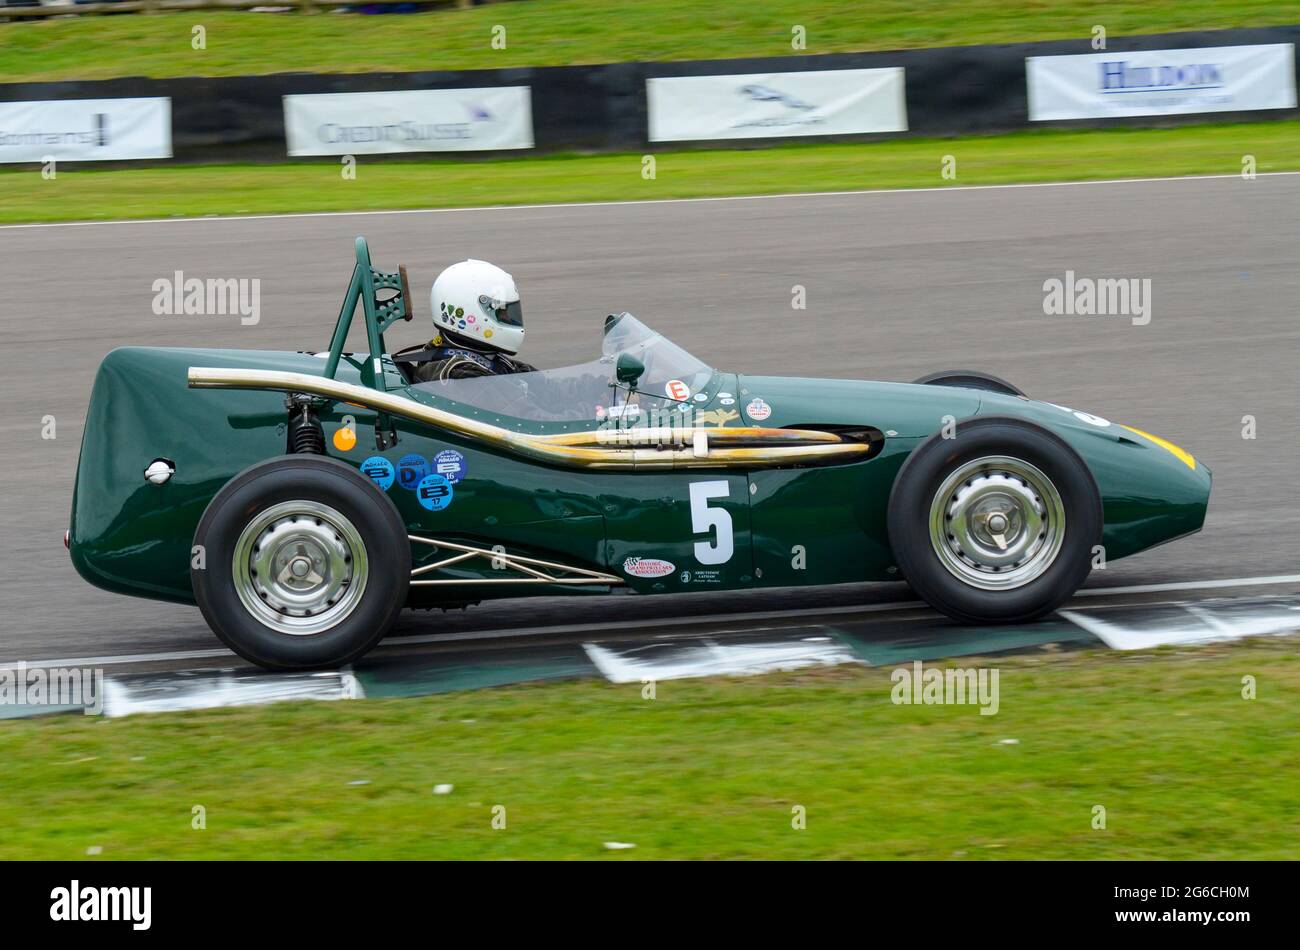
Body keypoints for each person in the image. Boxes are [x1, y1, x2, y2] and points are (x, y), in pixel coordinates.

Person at [399, 260, 537, 382]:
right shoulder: (463, 376)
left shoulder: (488, 359)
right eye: (501, 313)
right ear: (469, 311)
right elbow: (518, 409)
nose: (508, 318)